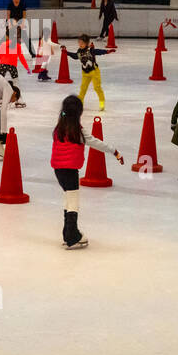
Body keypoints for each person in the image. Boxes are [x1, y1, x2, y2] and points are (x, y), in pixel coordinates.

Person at [51, 95, 124, 248]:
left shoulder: (58, 129)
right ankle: (72, 236)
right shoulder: (78, 132)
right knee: (73, 203)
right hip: (70, 171)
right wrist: (114, 151)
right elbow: (96, 143)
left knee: (68, 199)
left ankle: (67, 233)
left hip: (58, 170)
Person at [75, 34, 108, 112]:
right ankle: (80, 104)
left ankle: (102, 103)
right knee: (83, 88)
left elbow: (98, 52)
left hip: (94, 71)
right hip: (85, 73)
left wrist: (107, 51)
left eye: (82, 43)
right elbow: (75, 56)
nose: (80, 44)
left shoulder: (90, 50)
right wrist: (66, 52)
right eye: (79, 42)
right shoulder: (79, 51)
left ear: (86, 43)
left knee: (97, 87)